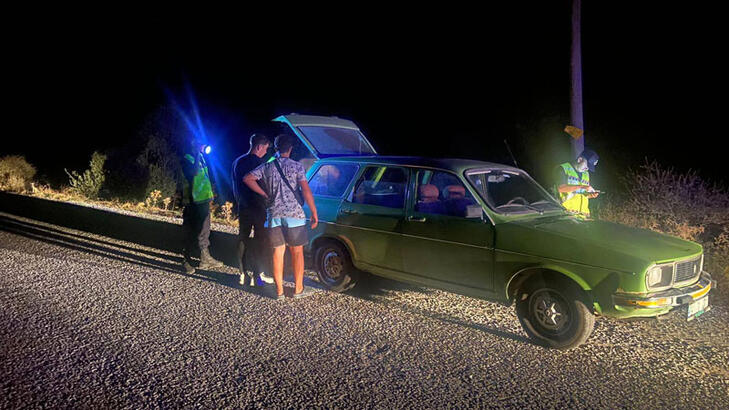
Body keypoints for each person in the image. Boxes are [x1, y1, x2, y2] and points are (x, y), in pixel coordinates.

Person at [243, 134, 318, 299]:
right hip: (294, 215)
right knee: (297, 252)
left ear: (276, 148)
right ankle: (298, 290)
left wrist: (264, 193)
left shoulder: (267, 166)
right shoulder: (297, 166)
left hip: (274, 214)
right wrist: (313, 212)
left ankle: (279, 292)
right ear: (290, 149)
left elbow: (247, 178)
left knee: (278, 252)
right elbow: (305, 190)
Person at [231, 133, 274, 287]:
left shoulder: (237, 161)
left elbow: (234, 185)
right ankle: (258, 275)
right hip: (258, 206)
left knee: (243, 237)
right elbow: (264, 185)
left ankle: (242, 274)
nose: (265, 152)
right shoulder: (259, 163)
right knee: (260, 240)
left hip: (243, 205)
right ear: (259, 147)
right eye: (265, 149)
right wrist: (267, 196)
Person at [180, 138, 225, 273]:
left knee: (204, 229)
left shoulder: (201, 158)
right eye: (201, 145)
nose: (204, 148)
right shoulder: (187, 158)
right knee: (191, 230)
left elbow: (204, 178)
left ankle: (205, 258)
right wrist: (198, 155)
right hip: (193, 200)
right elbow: (193, 174)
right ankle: (186, 260)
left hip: (202, 199)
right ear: (194, 145)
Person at [554, 148, 600, 217]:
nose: (587, 168)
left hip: (583, 216)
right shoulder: (563, 168)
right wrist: (583, 187)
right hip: (567, 215)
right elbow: (561, 188)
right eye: (587, 165)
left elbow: (580, 194)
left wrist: (590, 195)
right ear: (580, 160)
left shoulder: (586, 174)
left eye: (589, 167)